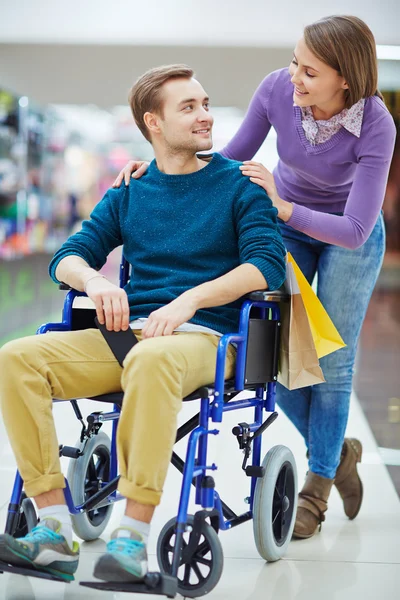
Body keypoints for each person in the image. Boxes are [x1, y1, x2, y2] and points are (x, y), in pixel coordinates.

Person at [113, 15, 397, 539]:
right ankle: (338, 454)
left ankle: (317, 484)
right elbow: (228, 160)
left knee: (332, 359)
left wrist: (284, 207)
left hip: (344, 235)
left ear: (345, 81)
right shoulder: (276, 89)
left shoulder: (376, 123)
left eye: (309, 71)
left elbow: (355, 229)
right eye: (294, 61)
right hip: (284, 224)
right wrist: (155, 167)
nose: (294, 76)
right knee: (275, 351)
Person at [0, 65, 286, 583]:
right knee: (16, 357)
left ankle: (130, 537)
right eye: (189, 107)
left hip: (208, 338)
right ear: (153, 123)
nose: (204, 116)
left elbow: (267, 263)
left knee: (152, 359)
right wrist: (95, 282)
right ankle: (54, 529)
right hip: (130, 336)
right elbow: (68, 255)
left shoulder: (238, 184)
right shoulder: (131, 190)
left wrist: (189, 301)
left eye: (205, 104)